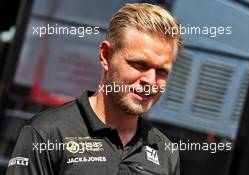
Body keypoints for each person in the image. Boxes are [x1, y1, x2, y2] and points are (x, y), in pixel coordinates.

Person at [6, 3, 183, 175]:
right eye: (139, 64)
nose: (151, 81)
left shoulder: (165, 152)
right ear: (106, 56)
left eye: (161, 71)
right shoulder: (47, 133)